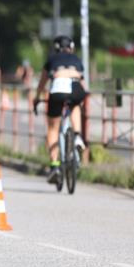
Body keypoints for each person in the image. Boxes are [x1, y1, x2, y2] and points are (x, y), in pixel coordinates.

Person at [33, 35, 87, 184]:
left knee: (52, 127)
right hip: (75, 86)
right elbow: (83, 83)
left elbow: (42, 83)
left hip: (58, 87)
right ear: (71, 47)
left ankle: (55, 166)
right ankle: (77, 135)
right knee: (75, 105)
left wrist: (37, 98)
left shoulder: (51, 59)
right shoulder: (77, 59)